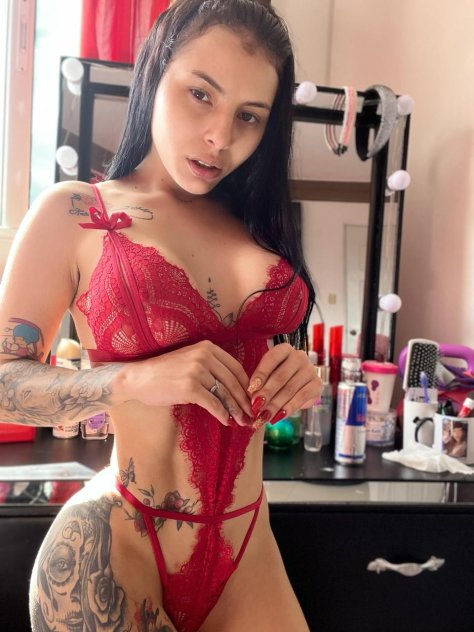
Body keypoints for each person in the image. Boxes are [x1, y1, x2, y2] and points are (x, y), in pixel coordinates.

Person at [0, 1, 321, 630]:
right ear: (154, 73)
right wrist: (136, 379)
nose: (220, 136)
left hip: (248, 549)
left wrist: (297, 375)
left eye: (249, 116)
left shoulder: (261, 227)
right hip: (117, 546)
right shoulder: (76, 212)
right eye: (201, 94)